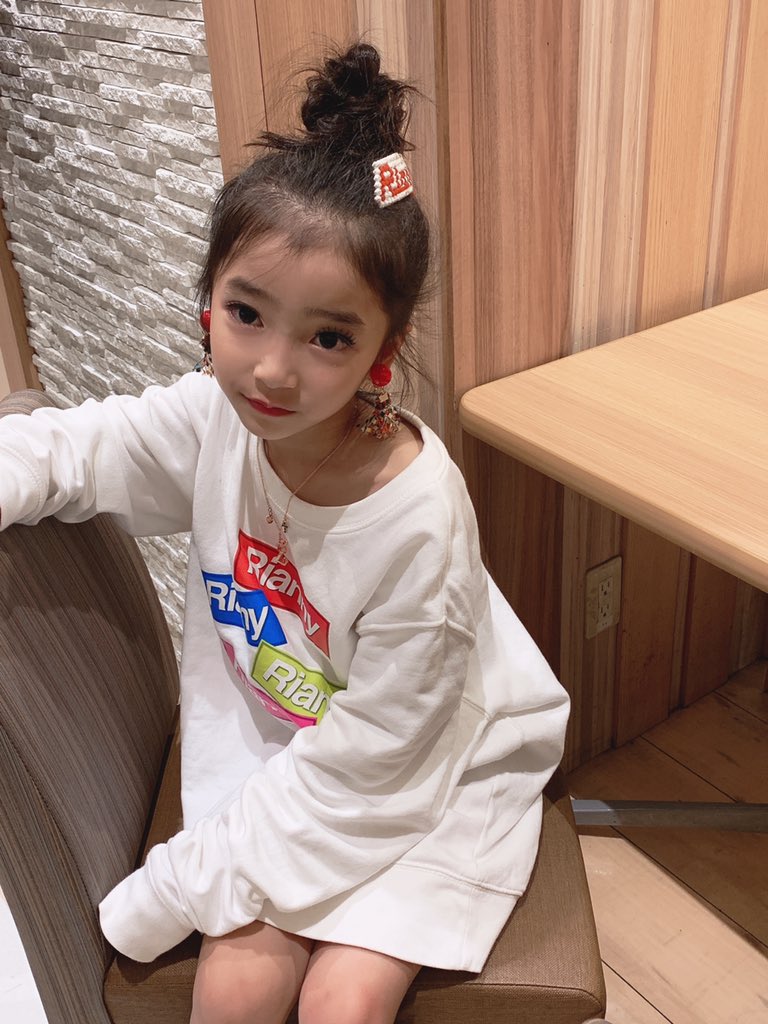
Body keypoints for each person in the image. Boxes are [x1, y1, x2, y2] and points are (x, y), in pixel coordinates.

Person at [0, 41, 569, 1024]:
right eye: (247, 313)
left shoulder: (420, 521)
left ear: (384, 350)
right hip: (294, 745)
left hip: (429, 765)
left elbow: (377, 766)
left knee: (344, 1000)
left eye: (328, 337)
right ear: (207, 303)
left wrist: (174, 886)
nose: (271, 369)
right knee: (237, 984)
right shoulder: (217, 421)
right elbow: (75, 450)